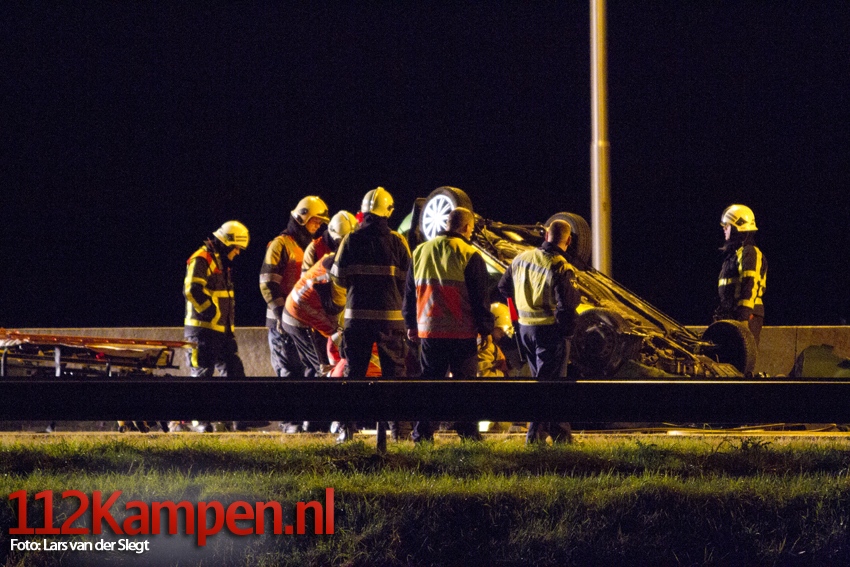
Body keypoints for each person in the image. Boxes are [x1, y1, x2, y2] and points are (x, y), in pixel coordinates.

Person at [403, 207, 494, 442]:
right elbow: (480, 296)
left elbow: (410, 292)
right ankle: (467, 433)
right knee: (465, 386)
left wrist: (410, 322)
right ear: (466, 227)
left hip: (429, 330)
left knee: (430, 384)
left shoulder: (420, 251)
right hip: (461, 332)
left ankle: (423, 434)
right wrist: (485, 328)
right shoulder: (469, 253)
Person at [498, 219, 581, 444]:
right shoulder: (560, 266)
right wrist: (566, 332)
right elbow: (567, 305)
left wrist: (521, 305)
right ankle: (534, 438)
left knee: (547, 384)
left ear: (546, 236)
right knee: (548, 387)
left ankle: (561, 436)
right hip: (549, 333)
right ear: (568, 240)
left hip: (526, 330)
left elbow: (503, 287)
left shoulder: (521, 258)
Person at [330, 187, 411, 378]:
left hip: (357, 320)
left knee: (354, 374)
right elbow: (408, 282)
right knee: (394, 375)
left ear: (364, 211)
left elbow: (337, 278)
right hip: (391, 320)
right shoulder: (398, 241)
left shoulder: (350, 240)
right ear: (388, 212)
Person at [281, 211, 358, 376]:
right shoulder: (336, 265)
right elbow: (335, 308)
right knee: (321, 369)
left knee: (321, 363)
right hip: (299, 316)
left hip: (301, 310)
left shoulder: (334, 258)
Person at [260, 196, 329, 377]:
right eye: (315, 221)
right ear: (302, 217)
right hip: (282, 326)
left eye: (320, 222)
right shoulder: (280, 244)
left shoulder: (310, 247)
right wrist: (281, 314)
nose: (318, 226)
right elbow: (267, 283)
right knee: (288, 375)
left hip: (303, 325)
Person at [184, 220, 250, 378]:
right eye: (236, 248)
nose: (238, 253)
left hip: (222, 333)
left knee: (235, 375)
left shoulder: (221, 263)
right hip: (203, 333)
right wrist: (210, 312)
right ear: (227, 243)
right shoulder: (202, 258)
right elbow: (191, 289)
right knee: (202, 376)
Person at [715, 204, 767, 345]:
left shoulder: (750, 252)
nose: (724, 229)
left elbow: (750, 285)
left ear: (738, 227)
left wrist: (743, 317)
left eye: (727, 226)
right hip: (732, 315)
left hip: (746, 316)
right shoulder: (734, 255)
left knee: (743, 354)